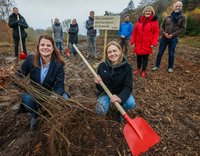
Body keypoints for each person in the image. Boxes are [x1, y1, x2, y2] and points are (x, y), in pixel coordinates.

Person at [18, 34, 70, 129]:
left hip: (51, 92)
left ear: (53, 48)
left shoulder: (59, 65)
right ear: (38, 47)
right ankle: (34, 115)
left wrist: (55, 95)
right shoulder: (30, 59)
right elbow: (19, 74)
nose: (45, 47)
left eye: (48, 45)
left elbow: (59, 85)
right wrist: (10, 77)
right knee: (26, 97)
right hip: (35, 92)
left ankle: (55, 116)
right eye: (42, 45)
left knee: (65, 99)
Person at [94, 41, 135, 122]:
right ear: (107, 54)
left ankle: (121, 111)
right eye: (109, 52)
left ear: (119, 51)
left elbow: (128, 86)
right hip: (106, 93)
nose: (112, 54)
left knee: (130, 103)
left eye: (114, 51)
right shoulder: (102, 66)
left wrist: (120, 97)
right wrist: (97, 83)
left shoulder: (127, 67)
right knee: (100, 110)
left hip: (121, 92)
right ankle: (102, 120)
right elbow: (99, 88)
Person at [152, 1, 187, 73]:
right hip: (164, 38)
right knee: (160, 52)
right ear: (174, 7)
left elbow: (183, 28)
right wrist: (164, 33)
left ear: (181, 7)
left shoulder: (183, 17)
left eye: (179, 6)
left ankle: (170, 67)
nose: (178, 7)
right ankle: (156, 66)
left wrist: (173, 35)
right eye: (176, 6)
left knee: (171, 53)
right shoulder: (167, 17)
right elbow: (161, 26)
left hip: (173, 38)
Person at [130, 6, 159, 77]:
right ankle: (138, 69)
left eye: (149, 11)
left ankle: (143, 70)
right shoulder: (139, 21)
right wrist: (132, 41)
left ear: (152, 12)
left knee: (145, 59)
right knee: (138, 58)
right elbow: (134, 32)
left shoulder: (154, 21)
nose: (148, 12)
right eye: (146, 11)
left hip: (147, 43)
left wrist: (153, 43)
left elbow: (156, 32)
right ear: (144, 12)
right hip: (138, 43)